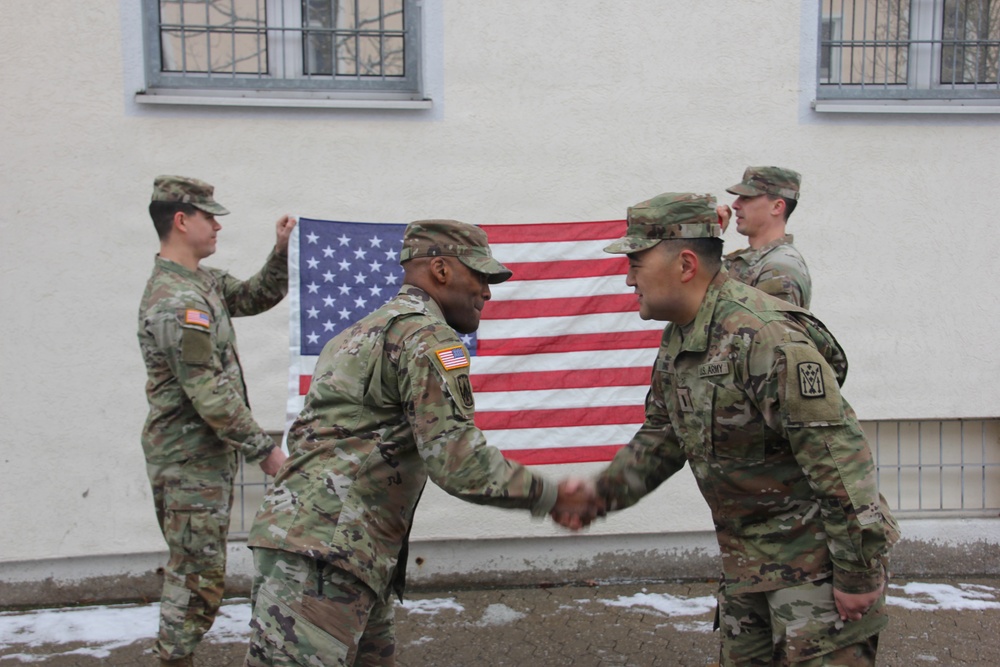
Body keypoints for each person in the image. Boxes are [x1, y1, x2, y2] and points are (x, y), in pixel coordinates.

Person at [555, 192, 898, 665]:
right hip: (748, 566)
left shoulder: (763, 337)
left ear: (686, 264)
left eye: (636, 261)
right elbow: (663, 435)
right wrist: (600, 495)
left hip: (818, 570)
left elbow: (840, 460)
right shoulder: (682, 335)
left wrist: (858, 574)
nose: (628, 276)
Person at [244, 219, 598, 666]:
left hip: (334, 549)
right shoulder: (426, 338)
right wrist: (550, 495)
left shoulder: (356, 334)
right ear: (441, 269)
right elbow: (458, 462)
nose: (487, 292)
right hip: (325, 555)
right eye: (480, 275)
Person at [138, 175, 293, 667]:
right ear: (181, 221)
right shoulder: (174, 301)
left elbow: (255, 295)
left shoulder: (201, 283)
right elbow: (206, 388)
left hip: (205, 456)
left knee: (200, 572)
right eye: (210, 217)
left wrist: (282, 250)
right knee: (196, 576)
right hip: (186, 460)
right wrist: (264, 450)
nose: (218, 227)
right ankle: (172, 658)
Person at [721, 166, 812, 308]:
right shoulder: (750, 260)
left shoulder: (780, 267)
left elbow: (764, 328)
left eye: (747, 198)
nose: (735, 205)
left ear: (777, 207)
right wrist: (709, 239)